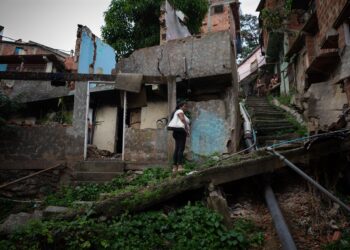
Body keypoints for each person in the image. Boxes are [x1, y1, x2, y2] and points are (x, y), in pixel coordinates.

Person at [168, 101, 190, 173]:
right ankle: (180, 166)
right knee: (181, 149)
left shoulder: (177, 112)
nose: (186, 108)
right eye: (185, 106)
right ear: (181, 106)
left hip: (176, 132)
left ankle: (174, 167)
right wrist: (186, 129)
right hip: (181, 132)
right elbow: (182, 119)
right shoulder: (180, 111)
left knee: (177, 149)